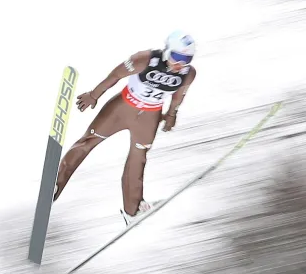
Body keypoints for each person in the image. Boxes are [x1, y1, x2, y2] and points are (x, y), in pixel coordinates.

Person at [52, 30, 197, 225]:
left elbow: (179, 96)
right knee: (89, 141)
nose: (180, 63)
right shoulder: (145, 59)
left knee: (138, 159)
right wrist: (94, 95)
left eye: (186, 59)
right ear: (167, 50)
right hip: (122, 108)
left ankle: (133, 208)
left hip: (149, 117)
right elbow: (115, 75)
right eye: (177, 57)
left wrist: (172, 114)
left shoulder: (188, 73)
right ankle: (56, 184)